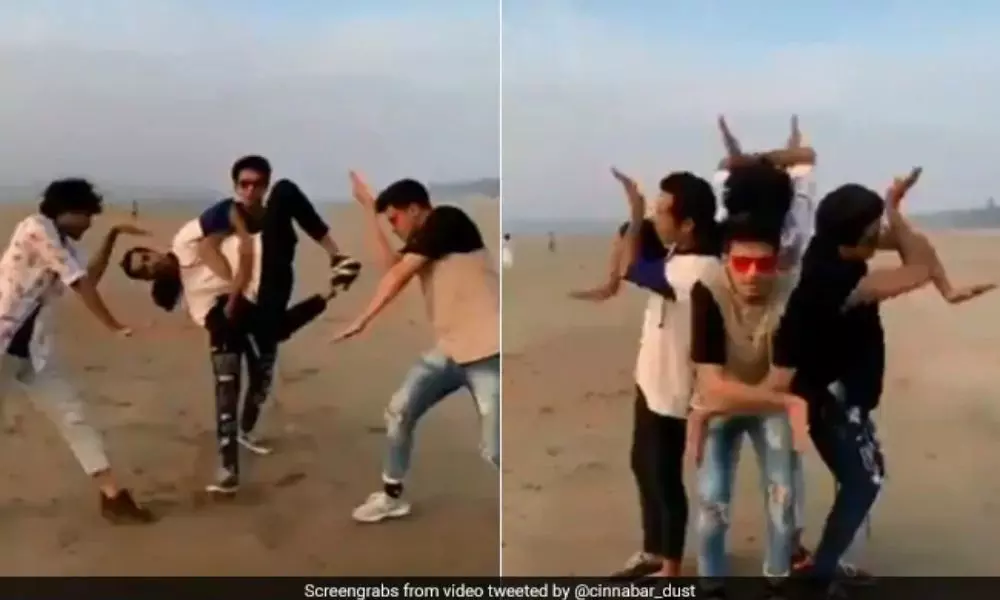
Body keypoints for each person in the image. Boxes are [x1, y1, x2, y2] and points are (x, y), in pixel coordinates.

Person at [119, 215, 351, 494]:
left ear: (151, 250)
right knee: (227, 386)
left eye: (146, 258)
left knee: (264, 368)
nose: (150, 266)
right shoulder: (170, 292)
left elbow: (225, 220)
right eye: (143, 271)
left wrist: (241, 234)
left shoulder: (186, 244)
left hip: (250, 297)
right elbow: (188, 304)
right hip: (224, 319)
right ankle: (228, 466)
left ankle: (245, 430)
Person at [334, 172, 499, 524]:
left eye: (394, 219)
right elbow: (391, 267)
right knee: (399, 412)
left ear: (414, 209)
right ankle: (391, 497)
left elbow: (397, 276)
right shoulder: (426, 242)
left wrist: (363, 318)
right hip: (450, 350)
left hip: (488, 352)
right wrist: (370, 212)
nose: (393, 228)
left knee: (495, 450)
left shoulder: (447, 219)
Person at [0, 178, 154, 523]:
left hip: (34, 351)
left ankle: (113, 496)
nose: (88, 223)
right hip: (4, 341)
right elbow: (80, 283)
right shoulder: (36, 228)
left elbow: (89, 277)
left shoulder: (65, 244)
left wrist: (113, 236)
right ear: (67, 211)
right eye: (87, 215)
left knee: (73, 416)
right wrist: (114, 325)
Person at [189, 155, 358, 454]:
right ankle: (233, 436)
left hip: (272, 292)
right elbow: (203, 246)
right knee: (249, 367)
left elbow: (285, 322)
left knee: (262, 376)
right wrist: (232, 285)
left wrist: (331, 281)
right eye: (244, 184)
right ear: (235, 186)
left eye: (257, 184)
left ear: (264, 186)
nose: (250, 190)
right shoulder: (228, 215)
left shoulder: (274, 216)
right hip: (242, 301)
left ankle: (244, 431)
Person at [604, 167, 721, 578]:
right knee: (644, 465)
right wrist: (637, 219)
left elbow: (630, 267)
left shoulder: (695, 270)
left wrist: (637, 215)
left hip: (674, 388)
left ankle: (668, 566)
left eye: (663, 210)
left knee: (663, 475)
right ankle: (654, 550)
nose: (657, 217)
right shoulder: (681, 255)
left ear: (688, 224)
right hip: (652, 380)